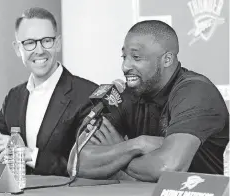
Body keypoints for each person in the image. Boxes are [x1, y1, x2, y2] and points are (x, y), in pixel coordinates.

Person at [67, 20, 229, 181]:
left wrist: (116, 155)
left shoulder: (196, 92)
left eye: (136, 57)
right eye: (124, 57)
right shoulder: (124, 94)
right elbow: (76, 162)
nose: (125, 66)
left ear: (167, 59)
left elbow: (168, 167)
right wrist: (135, 145)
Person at [0, 7, 97, 176]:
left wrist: (29, 154)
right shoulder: (13, 98)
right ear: (17, 49)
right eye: (30, 42)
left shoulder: (88, 95)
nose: (39, 50)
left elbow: (90, 167)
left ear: (57, 43)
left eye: (46, 40)